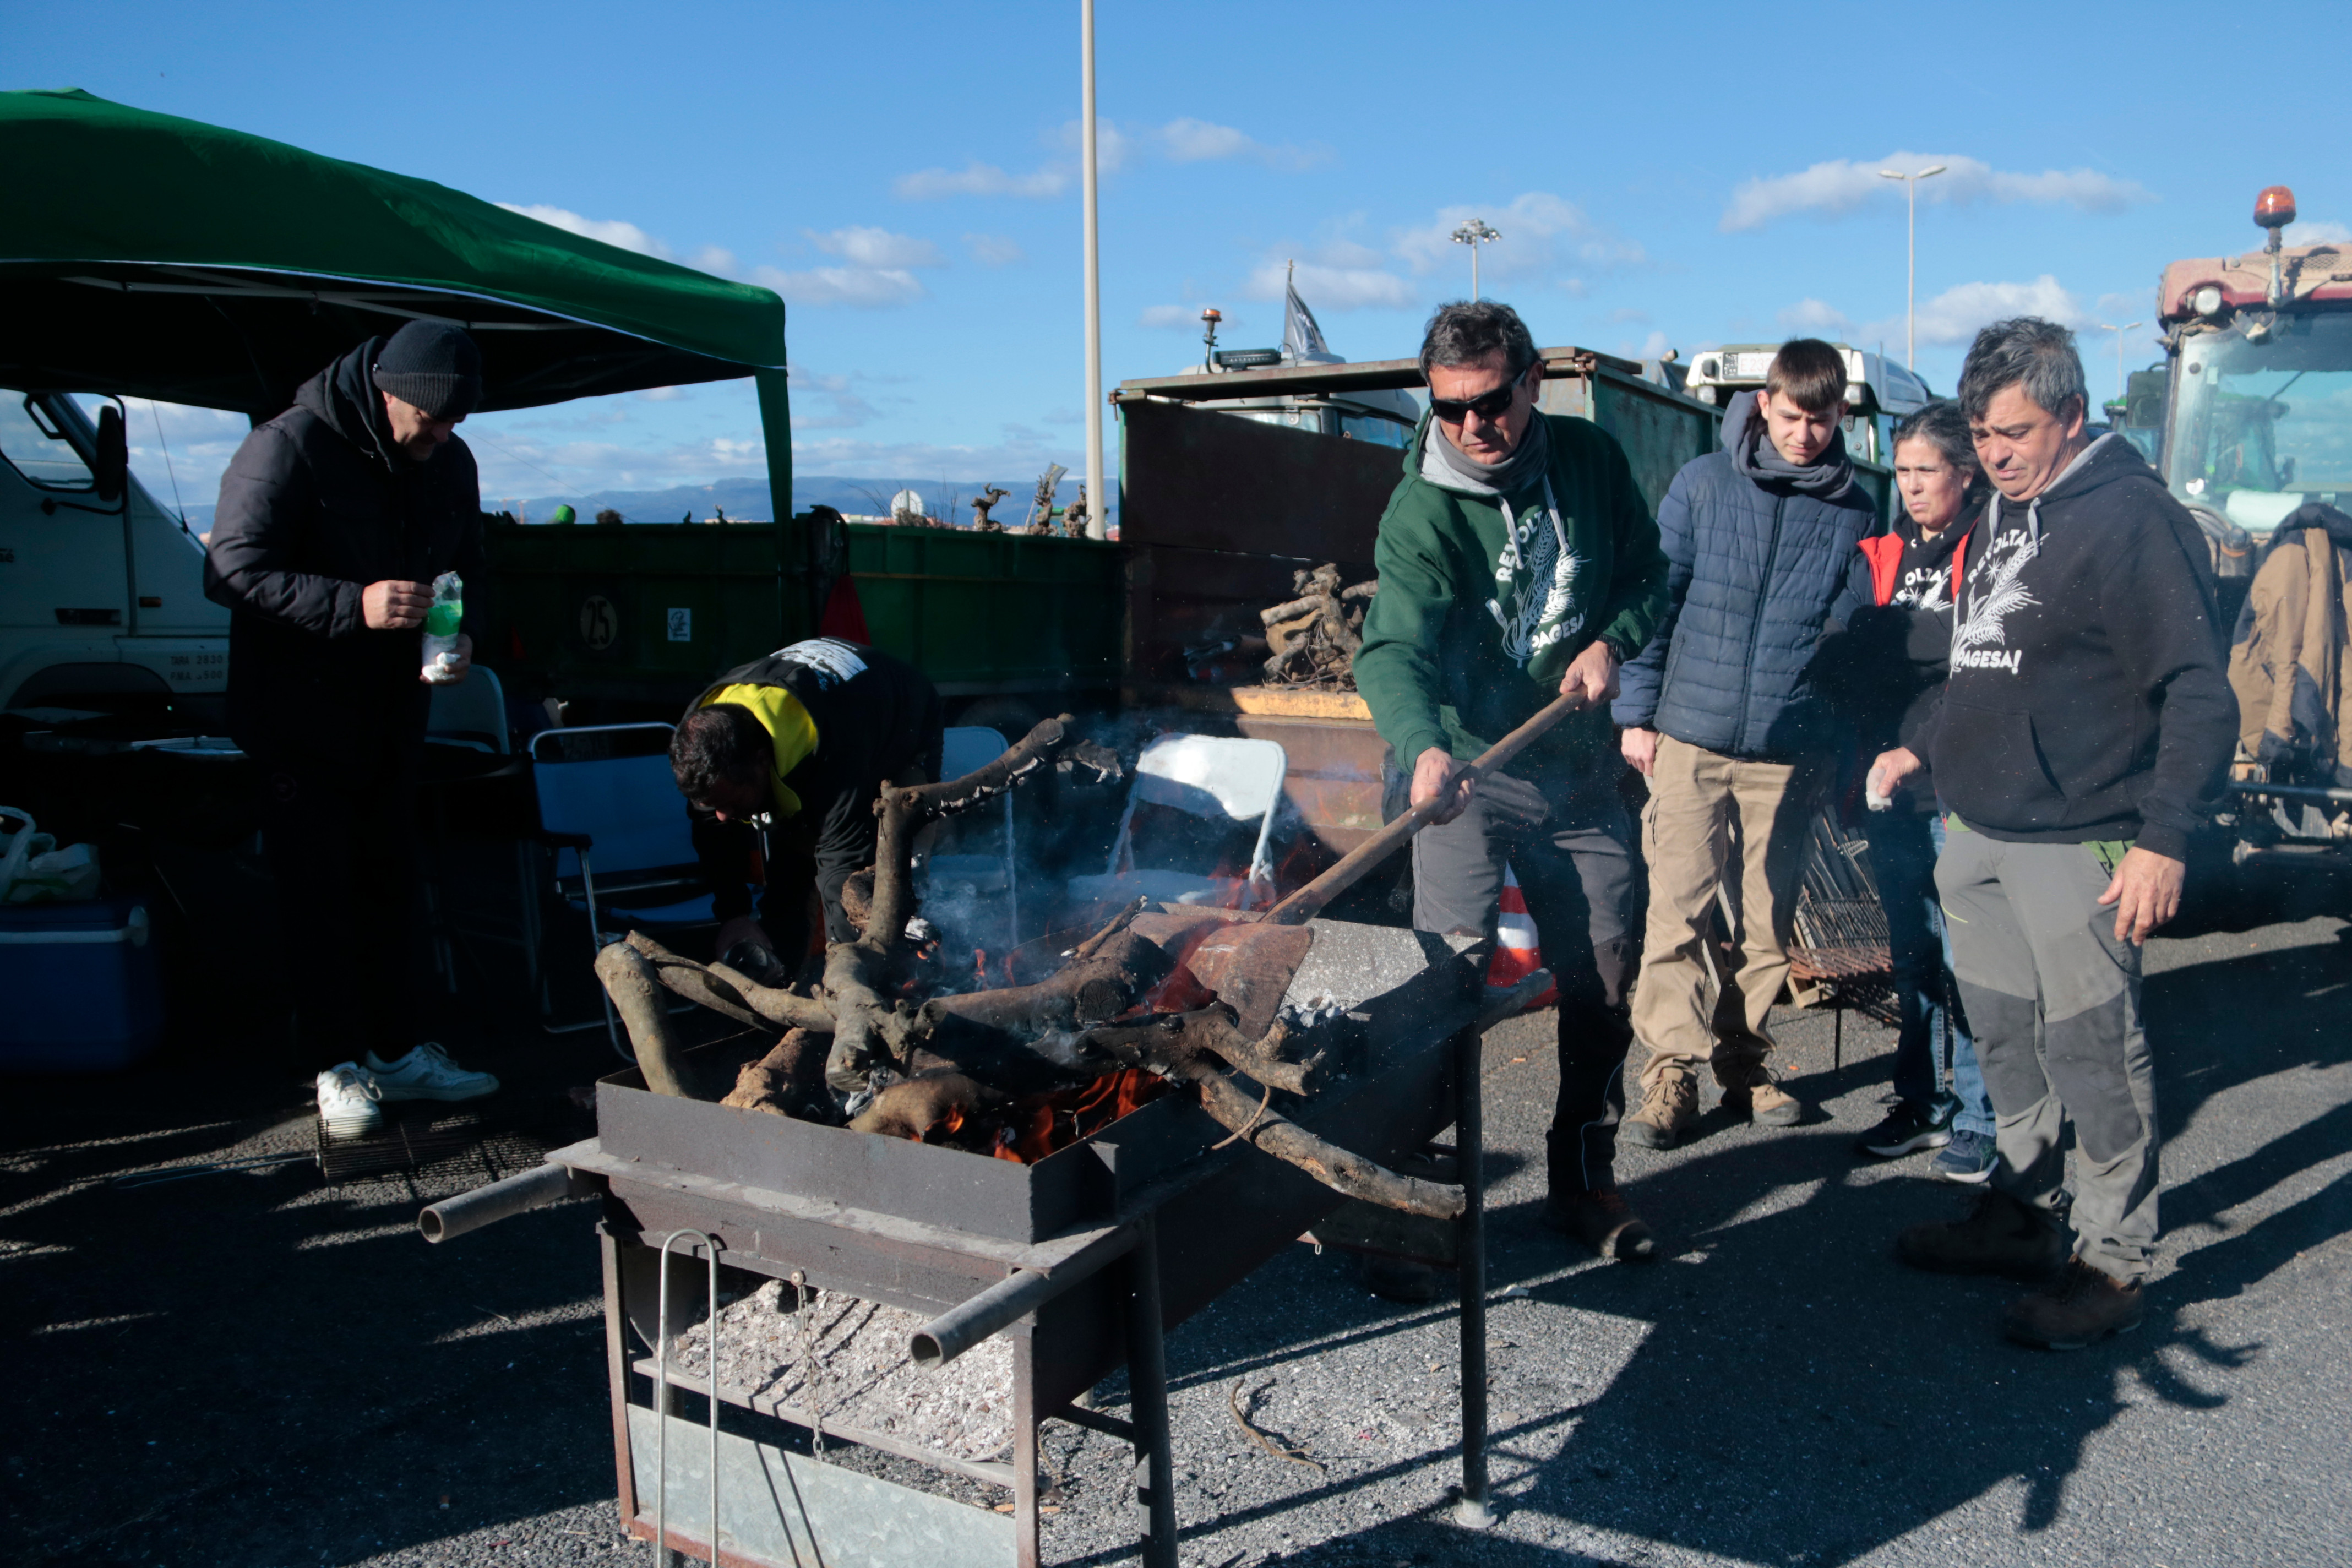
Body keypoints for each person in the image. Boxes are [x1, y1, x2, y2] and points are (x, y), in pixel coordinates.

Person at [1887, 318, 2235, 1349]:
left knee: (2092, 1052)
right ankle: (2022, 1213)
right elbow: (1985, 660)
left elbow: (2198, 693)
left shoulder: (2132, 520)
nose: (1992, 454)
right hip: (1979, 829)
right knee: (2001, 1039)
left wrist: (2163, 837)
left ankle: (2111, 1261)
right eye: (1982, 434)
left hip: (2081, 834)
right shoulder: (2005, 509)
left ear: (2071, 416)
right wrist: (1926, 748)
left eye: (2014, 432)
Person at [1354, 300, 1671, 1259]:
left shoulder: (1589, 461)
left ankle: (1582, 1177)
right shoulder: (1420, 509)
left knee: (1607, 971)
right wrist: (1424, 746)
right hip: (1468, 768)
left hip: (1576, 768)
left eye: (1489, 401)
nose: (1471, 427)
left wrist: (1611, 644)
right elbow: (1390, 650)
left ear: (1530, 381)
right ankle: (1413, 1209)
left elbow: (1649, 577)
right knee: (1440, 989)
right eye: (1448, 409)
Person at [205, 321, 502, 1137]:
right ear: (388, 391)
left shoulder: (449, 460)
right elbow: (229, 569)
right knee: (317, 889)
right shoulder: (289, 445)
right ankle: (336, 1065)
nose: (441, 438)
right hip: (296, 712)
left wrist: (463, 627)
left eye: (455, 426)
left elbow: (469, 564)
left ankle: (397, 1052)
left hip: (393, 707)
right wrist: (354, 603)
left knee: (389, 882)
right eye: (432, 420)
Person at [1611, 339, 1880, 1148]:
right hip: (1690, 737)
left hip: (1786, 750)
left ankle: (1743, 1063)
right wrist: (1637, 712)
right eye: (1794, 415)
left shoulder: (1854, 508)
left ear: (1841, 416)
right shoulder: (1701, 485)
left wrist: (1827, 729)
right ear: (1765, 404)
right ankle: (1670, 1073)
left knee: (1768, 922)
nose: (1806, 433)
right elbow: (1658, 603)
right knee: (1679, 911)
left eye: (1823, 419)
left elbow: (1850, 633)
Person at [1832, 401, 1998, 1181]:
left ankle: (1981, 1114)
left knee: (1971, 959)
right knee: (1912, 955)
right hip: (1888, 784)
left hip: (1959, 786)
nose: (1910, 486)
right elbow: (1850, 648)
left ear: (1965, 473)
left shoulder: (1994, 544)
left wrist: (1891, 641)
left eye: (1924, 471)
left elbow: (1973, 657)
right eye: (1900, 471)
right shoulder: (1885, 550)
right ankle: (1921, 1101)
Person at [670, 638, 943, 1073]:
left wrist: (847, 979)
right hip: (809, 733)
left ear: (761, 762)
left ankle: (895, 1002)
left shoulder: (833, 746)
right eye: (711, 803)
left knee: (884, 874)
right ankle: (786, 1008)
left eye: (727, 800)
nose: (721, 815)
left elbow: (841, 870)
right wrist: (734, 914)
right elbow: (710, 825)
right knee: (789, 875)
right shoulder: (705, 739)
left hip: (899, 721)